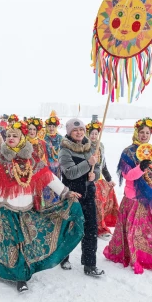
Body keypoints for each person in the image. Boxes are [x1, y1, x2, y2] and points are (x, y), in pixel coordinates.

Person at [0, 121, 84, 292]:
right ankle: (20, 277)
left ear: (21, 137)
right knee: (12, 244)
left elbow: (49, 177)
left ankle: (21, 271)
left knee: (26, 243)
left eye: (15, 135)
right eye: (9, 136)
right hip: (6, 209)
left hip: (27, 209)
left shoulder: (31, 159)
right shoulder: (0, 159)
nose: (11, 138)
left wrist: (66, 192)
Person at [103, 117, 152, 273]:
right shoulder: (128, 152)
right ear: (136, 132)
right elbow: (128, 175)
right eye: (141, 132)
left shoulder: (150, 151)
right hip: (134, 198)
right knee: (136, 231)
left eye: (147, 133)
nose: (144, 135)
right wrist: (140, 168)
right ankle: (138, 256)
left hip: (151, 195)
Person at [59, 118, 105, 276]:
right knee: (69, 228)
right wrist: (87, 163)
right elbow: (70, 173)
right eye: (75, 130)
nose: (79, 132)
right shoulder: (65, 149)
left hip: (88, 194)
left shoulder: (91, 147)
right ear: (69, 132)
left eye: (81, 130)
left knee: (91, 229)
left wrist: (95, 175)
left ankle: (89, 264)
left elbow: (97, 168)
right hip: (72, 195)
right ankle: (63, 257)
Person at [87, 120, 118, 239]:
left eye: (96, 134)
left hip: (99, 180)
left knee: (103, 202)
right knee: (96, 203)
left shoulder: (101, 146)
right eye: (92, 134)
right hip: (89, 180)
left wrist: (109, 179)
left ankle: (100, 224)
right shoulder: (85, 146)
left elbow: (103, 165)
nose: (94, 136)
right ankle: (95, 226)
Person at [43, 112, 63, 205]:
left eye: (53, 126)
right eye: (49, 126)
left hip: (57, 165)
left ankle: (57, 198)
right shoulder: (44, 138)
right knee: (46, 183)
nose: (51, 128)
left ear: (56, 127)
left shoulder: (61, 138)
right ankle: (46, 199)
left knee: (57, 181)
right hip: (47, 165)